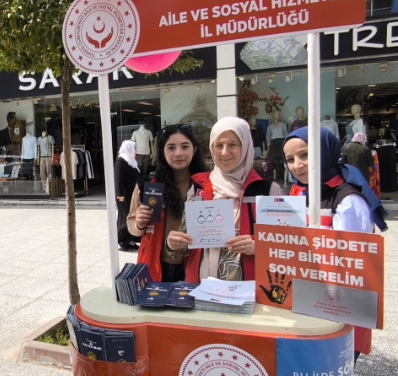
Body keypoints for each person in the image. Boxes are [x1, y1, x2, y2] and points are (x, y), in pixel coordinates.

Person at [283, 127, 388, 359]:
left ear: (325, 152)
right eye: (290, 159)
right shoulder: (301, 194)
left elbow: (354, 265)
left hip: (338, 310)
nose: (297, 165)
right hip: (306, 304)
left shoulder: (348, 201)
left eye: (305, 155)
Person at [166, 117, 284, 283]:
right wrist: (173, 244)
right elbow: (185, 247)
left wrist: (256, 247)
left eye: (233, 144)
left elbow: (287, 248)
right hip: (202, 290)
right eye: (219, 145)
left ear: (246, 146)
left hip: (251, 293)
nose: (224, 152)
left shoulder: (267, 190)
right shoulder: (199, 188)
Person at [126, 124, 208, 282]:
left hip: (197, 267)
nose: (179, 153)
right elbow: (132, 227)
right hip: (155, 267)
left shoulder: (208, 185)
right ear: (162, 152)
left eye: (185, 147)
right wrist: (139, 224)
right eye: (171, 147)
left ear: (195, 150)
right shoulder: (148, 185)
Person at [115, 140, 140, 252]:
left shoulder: (131, 161)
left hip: (131, 194)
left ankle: (130, 239)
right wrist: (119, 195)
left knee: (131, 216)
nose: (135, 151)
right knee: (124, 217)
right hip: (123, 195)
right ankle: (122, 240)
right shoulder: (121, 161)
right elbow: (118, 179)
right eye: (133, 148)